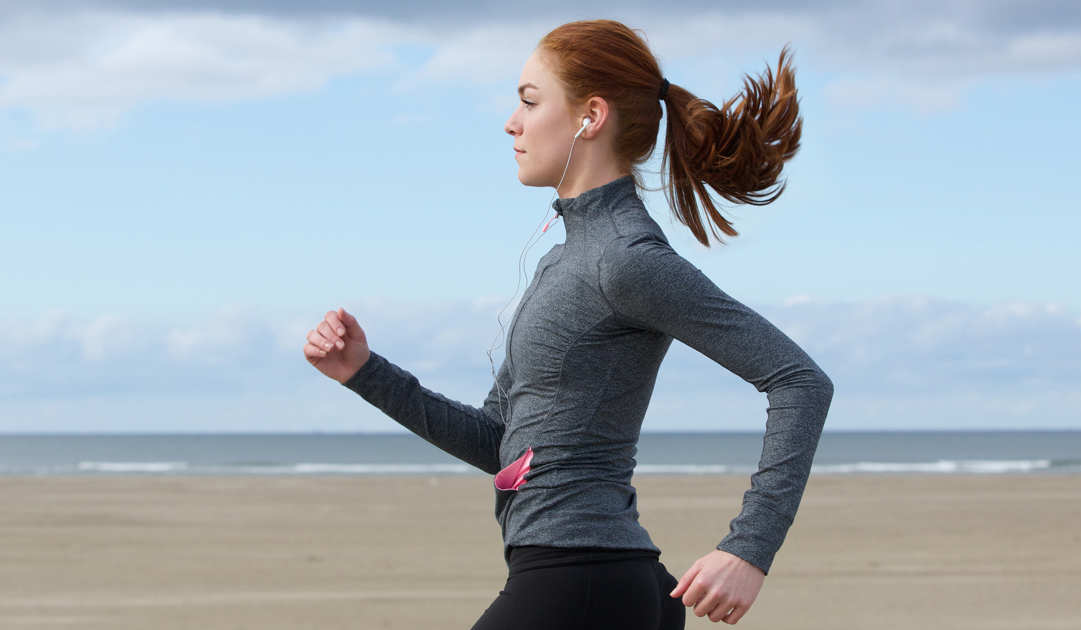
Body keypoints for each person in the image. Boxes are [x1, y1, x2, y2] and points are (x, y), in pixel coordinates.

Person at [303, 19, 834, 629]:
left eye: (530, 101)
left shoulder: (625, 258)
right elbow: (501, 445)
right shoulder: (567, 257)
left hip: (581, 580)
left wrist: (748, 549)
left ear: (591, 116)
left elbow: (799, 381)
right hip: (591, 581)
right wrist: (364, 373)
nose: (512, 121)